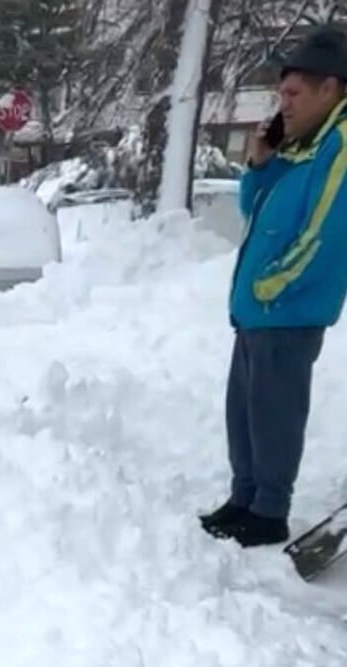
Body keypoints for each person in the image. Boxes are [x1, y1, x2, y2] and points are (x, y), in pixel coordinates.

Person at [200, 26, 347, 546]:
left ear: (330, 88)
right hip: (261, 311)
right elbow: (254, 211)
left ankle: (269, 512)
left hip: (289, 309)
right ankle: (245, 497)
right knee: (245, 413)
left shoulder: (340, 145)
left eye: (293, 93)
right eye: (281, 92)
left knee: (276, 415)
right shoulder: (303, 146)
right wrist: (262, 163)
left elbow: (326, 231)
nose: (282, 102)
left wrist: (269, 285)